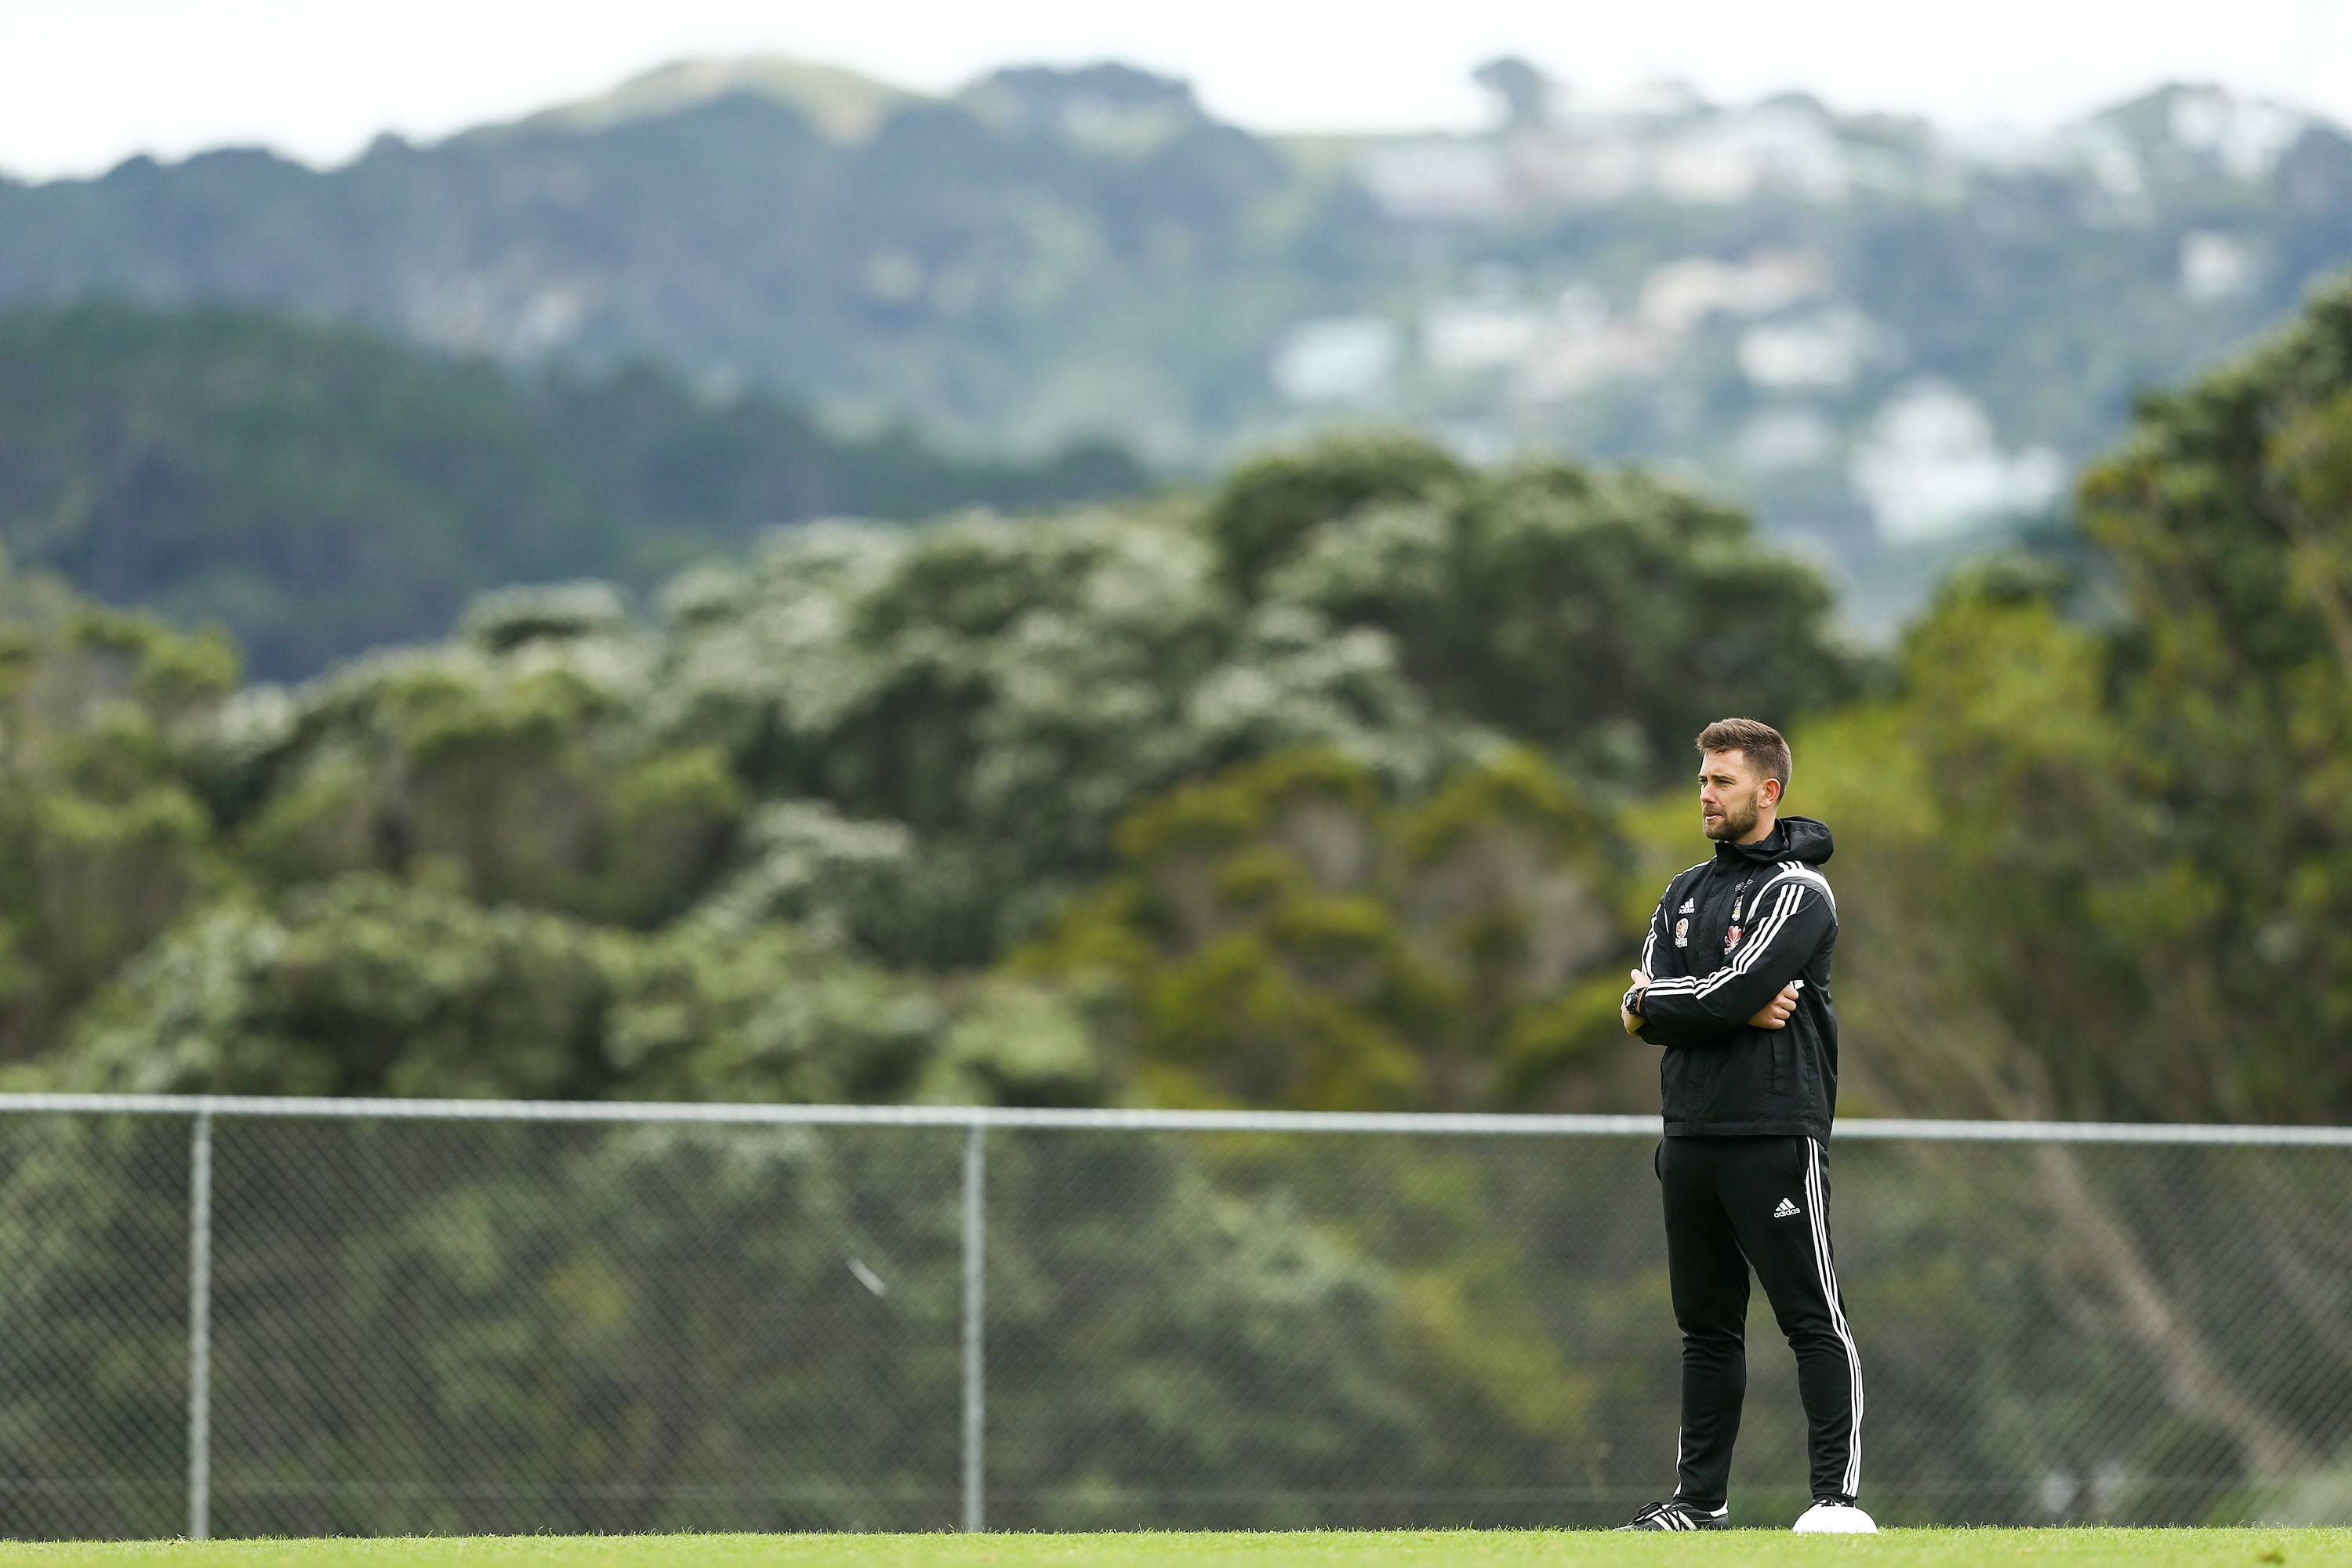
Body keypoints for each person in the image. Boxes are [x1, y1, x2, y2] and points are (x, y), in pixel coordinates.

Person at [1611, 718, 1873, 1534]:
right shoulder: (1682, 891)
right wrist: (1659, 1003)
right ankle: (1698, 1504)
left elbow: (1701, 994)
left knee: (1811, 1316)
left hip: (1773, 1133)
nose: (1705, 792)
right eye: (1702, 777)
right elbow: (1655, 1002)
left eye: (1721, 780)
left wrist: (1661, 1002)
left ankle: (1835, 1501)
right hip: (1688, 1137)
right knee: (1705, 1327)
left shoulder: (1799, 891)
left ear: (1768, 791)